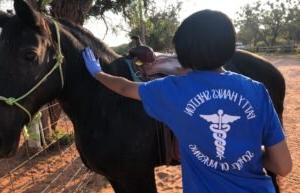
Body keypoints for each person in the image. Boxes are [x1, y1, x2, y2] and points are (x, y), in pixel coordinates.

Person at [82, 10, 292, 193]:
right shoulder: (257, 91)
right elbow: (283, 166)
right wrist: (246, 156)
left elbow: (124, 87)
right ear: (230, 48)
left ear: (182, 53)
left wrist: (98, 73)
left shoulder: (173, 90)